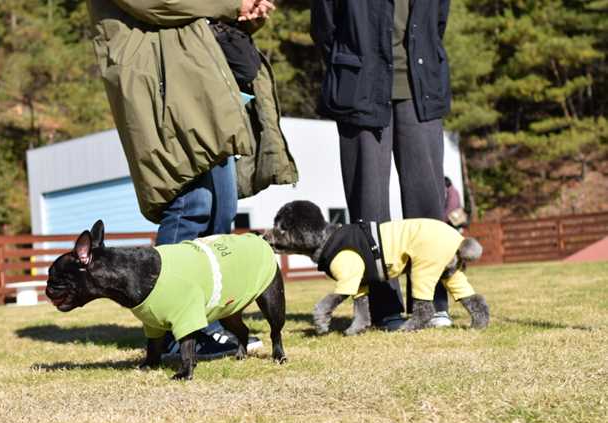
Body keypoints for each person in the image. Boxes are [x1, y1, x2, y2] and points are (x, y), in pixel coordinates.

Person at [87, 0, 298, 356]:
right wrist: (233, 4)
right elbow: (159, 4)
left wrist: (247, 14)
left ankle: (204, 321)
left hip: (196, 79)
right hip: (159, 81)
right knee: (189, 201)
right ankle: (174, 332)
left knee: (222, 205)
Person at [310, 0, 454, 329]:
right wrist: (357, 64)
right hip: (358, 89)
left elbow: (438, 23)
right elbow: (324, 28)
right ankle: (384, 306)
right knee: (369, 206)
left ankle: (431, 303)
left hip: (421, 90)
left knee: (428, 202)